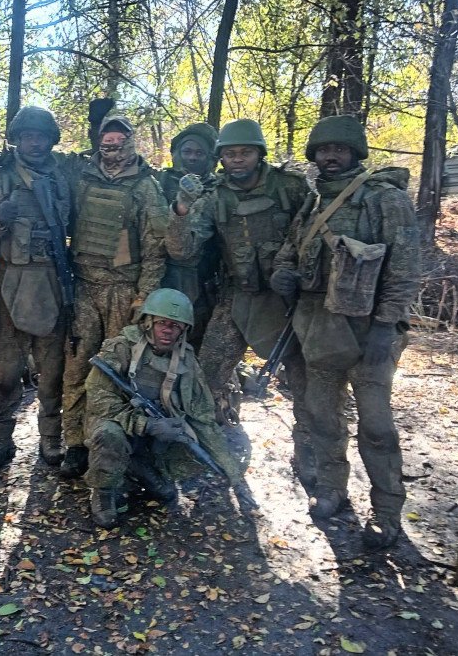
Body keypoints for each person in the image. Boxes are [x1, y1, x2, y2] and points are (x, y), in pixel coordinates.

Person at [271, 115, 420, 550]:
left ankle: (388, 511)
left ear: (356, 152)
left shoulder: (384, 199)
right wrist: (285, 274)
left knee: (376, 427)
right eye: (321, 150)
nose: (329, 157)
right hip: (319, 327)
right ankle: (332, 490)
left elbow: (406, 267)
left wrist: (386, 325)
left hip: (370, 329)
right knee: (321, 415)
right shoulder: (314, 202)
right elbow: (290, 251)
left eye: (338, 149)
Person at [167, 119, 314, 483]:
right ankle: (201, 449)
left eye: (245, 152)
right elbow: (183, 250)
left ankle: (309, 457)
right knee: (205, 378)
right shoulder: (215, 195)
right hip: (235, 297)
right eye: (230, 154)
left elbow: (315, 238)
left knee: (304, 383)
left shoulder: (291, 189)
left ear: (259, 153)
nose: (237, 160)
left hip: (286, 302)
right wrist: (183, 210)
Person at [83, 288, 255, 528]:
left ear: (184, 330)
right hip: (118, 422)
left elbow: (202, 415)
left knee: (191, 446)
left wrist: (232, 473)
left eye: (175, 326)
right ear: (147, 322)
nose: (167, 330)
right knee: (108, 434)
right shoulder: (120, 348)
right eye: (162, 323)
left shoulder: (186, 361)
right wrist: (147, 424)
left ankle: (144, 468)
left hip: (160, 432)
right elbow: (99, 401)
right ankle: (103, 492)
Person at [60, 116, 169, 479]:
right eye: (106, 143)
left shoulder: (145, 187)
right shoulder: (80, 177)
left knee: (118, 374)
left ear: (131, 144)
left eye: (119, 143)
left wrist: (145, 298)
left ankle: (113, 445)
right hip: (83, 288)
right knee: (76, 368)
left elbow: (155, 249)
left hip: (124, 293)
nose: (112, 150)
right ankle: (75, 443)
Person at [0, 106, 72, 468]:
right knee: (6, 373)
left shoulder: (63, 178)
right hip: (12, 284)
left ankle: (50, 439)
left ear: (51, 140)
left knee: (53, 371)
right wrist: (1, 217)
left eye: (41, 136)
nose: (34, 143)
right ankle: (1, 440)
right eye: (27, 136)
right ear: (16, 140)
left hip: (53, 282)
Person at [155, 123, 223, 349]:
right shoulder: (158, 182)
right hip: (157, 274)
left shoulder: (219, 190)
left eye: (199, 153)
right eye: (187, 152)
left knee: (191, 342)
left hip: (200, 281)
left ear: (211, 158)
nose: (192, 158)